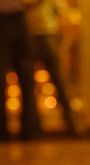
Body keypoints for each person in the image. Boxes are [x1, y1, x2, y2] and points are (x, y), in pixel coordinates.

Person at [24, 0, 82, 137]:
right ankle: (34, 128)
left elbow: (60, 12)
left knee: (58, 81)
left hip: (45, 33)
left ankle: (72, 125)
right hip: (37, 34)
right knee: (36, 83)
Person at [0, 0, 41, 141]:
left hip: (11, 17)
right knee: (4, 79)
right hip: (1, 18)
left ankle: (27, 130)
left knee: (24, 76)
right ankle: (6, 131)